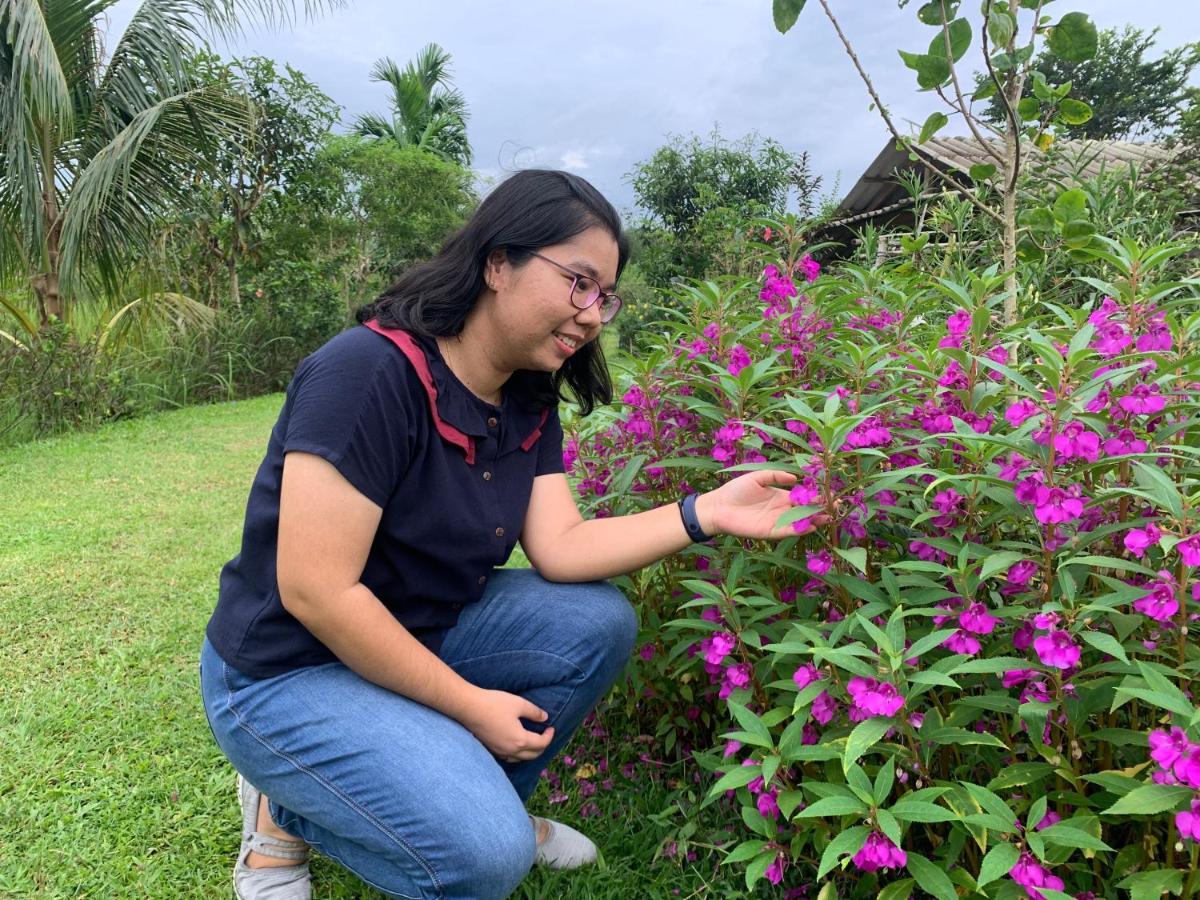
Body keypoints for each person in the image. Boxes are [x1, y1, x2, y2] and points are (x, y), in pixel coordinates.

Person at [199, 168, 823, 900]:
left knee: (596, 621)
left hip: (415, 631)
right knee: (488, 860)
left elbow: (561, 548)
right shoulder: (367, 373)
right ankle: (287, 813)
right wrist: (470, 706)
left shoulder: (524, 396)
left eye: (605, 296)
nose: (593, 315)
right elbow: (317, 591)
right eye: (578, 282)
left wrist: (705, 513)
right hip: (285, 672)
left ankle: (468, 806)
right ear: (498, 263)